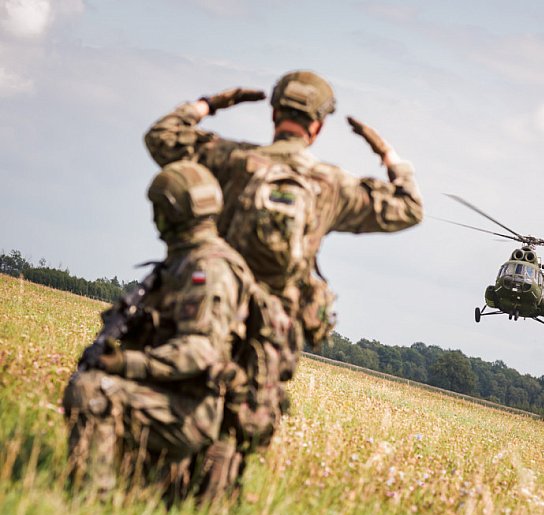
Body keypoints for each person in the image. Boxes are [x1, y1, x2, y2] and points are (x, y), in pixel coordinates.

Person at [143, 70, 424, 354]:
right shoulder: (333, 187)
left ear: (274, 114)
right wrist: (388, 155)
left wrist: (208, 104)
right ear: (318, 127)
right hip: (267, 341)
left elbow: (161, 137)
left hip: (203, 314)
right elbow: (411, 208)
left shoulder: (230, 159)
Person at [62, 161, 290, 503]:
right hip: (170, 394)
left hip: (191, 409)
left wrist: (126, 363)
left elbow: (201, 350)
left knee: (93, 391)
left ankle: (92, 504)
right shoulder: (184, 261)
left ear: (169, 212)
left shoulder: (208, 267)